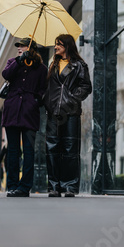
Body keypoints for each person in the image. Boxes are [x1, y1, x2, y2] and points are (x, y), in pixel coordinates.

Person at [43, 34, 92, 197]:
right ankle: (54, 186)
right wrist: (47, 102)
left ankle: (69, 186)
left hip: (70, 113)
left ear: (67, 46)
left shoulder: (79, 65)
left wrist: (71, 99)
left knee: (70, 150)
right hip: (53, 113)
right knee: (52, 150)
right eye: (55, 44)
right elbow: (48, 87)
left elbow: (86, 86)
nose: (56, 47)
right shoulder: (53, 64)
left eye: (59, 44)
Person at [1, 37, 47, 197]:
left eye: (23, 46)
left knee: (29, 151)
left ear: (31, 48)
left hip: (30, 112)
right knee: (13, 151)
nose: (19, 48)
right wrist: (19, 61)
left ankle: (24, 186)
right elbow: (6, 74)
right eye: (18, 46)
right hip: (12, 110)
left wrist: (36, 100)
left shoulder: (41, 68)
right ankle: (12, 185)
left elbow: (43, 89)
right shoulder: (12, 62)